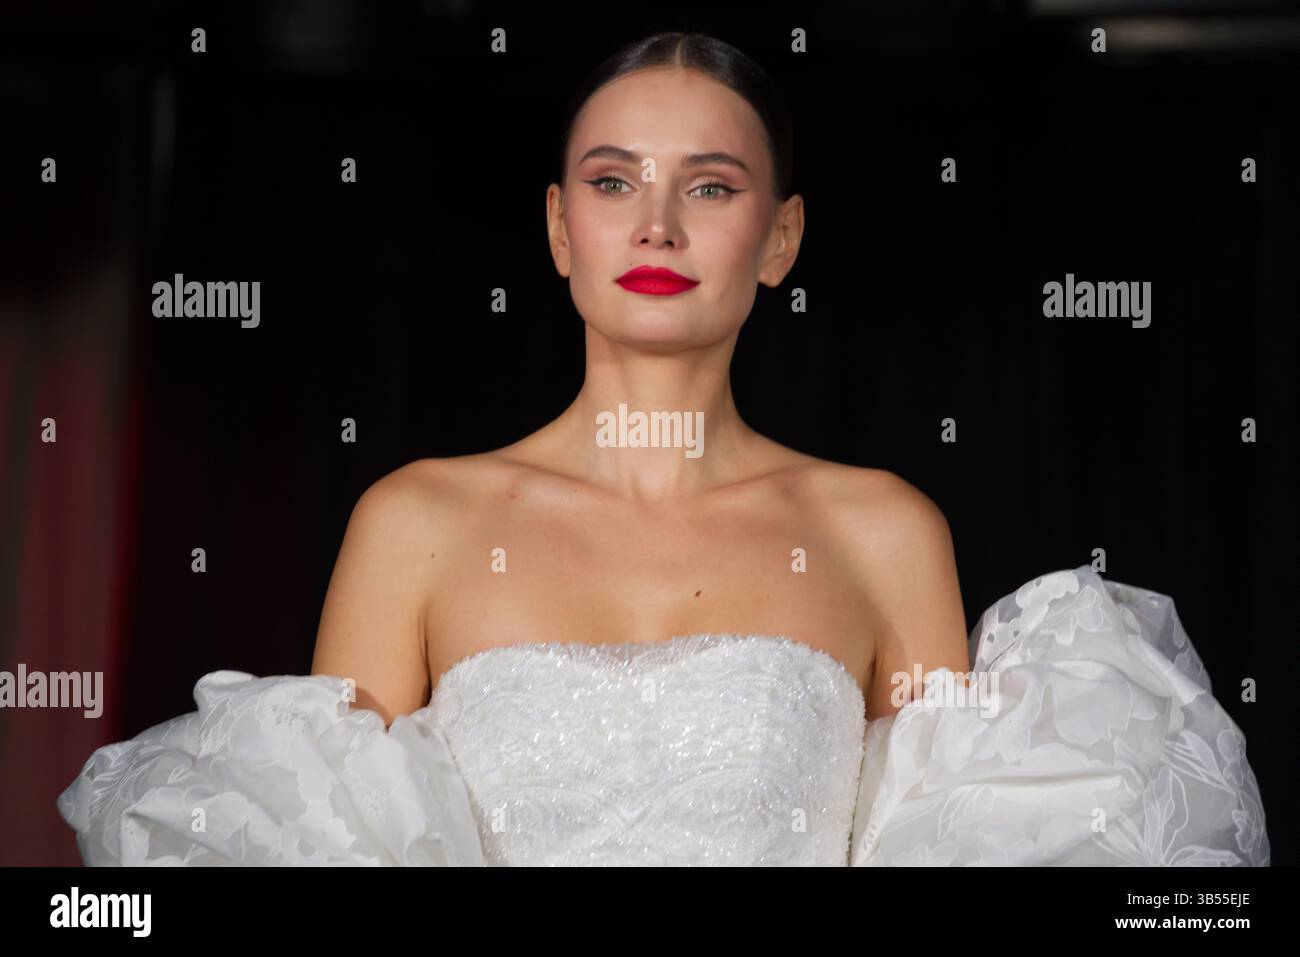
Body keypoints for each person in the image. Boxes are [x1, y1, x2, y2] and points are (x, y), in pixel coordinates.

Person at [57, 32, 1269, 867]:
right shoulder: (417, 521)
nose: (652, 221)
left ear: (780, 237)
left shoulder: (880, 529)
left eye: (708, 186)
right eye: (612, 179)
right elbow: (327, 847)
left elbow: (955, 854)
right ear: (558, 227)